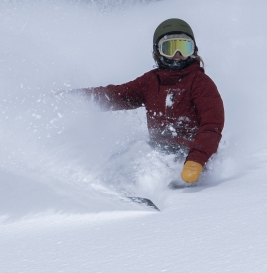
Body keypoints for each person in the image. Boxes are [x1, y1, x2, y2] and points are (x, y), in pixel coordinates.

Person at [80, 18, 225, 184]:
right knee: (125, 154)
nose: (177, 55)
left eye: (184, 48)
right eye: (169, 48)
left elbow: (211, 126)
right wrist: (76, 99)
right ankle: (105, 187)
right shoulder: (151, 81)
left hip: (191, 158)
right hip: (158, 153)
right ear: (158, 51)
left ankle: (139, 187)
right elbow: (117, 95)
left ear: (193, 50)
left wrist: (196, 161)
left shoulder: (200, 82)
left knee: (140, 154)